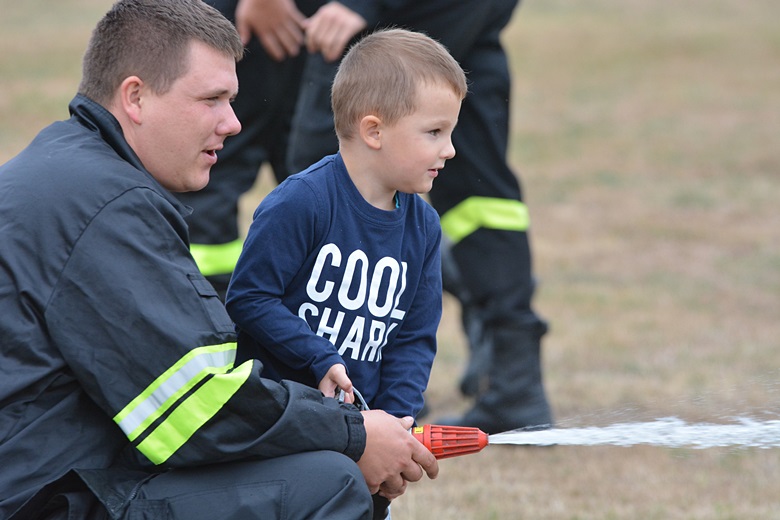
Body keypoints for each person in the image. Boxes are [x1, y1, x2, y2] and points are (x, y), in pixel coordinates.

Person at [0, 1, 437, 519]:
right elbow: (194, 407)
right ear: (135, 97)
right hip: (41, 500)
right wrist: (353, 433)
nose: (233, 123)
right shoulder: (105, 205)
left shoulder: (65, 170)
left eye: (232, 100)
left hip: (42, 481)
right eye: (211, 100)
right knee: (327, 482)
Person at [226, 28, 466, 518]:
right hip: (284, 432)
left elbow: (413, 338)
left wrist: (396, 422)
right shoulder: (302, 203)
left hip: (364, 439)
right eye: (434, 133)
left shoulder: (423, 227)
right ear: (374, 131)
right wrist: (318, 356)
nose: (450, 150)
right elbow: (249, 297)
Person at [284, 0, 554, 434]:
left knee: (334, 168)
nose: (447, 148)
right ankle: (514, 378)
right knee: (480, 193)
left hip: (386, 17)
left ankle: (358, 390)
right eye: (437, 135)